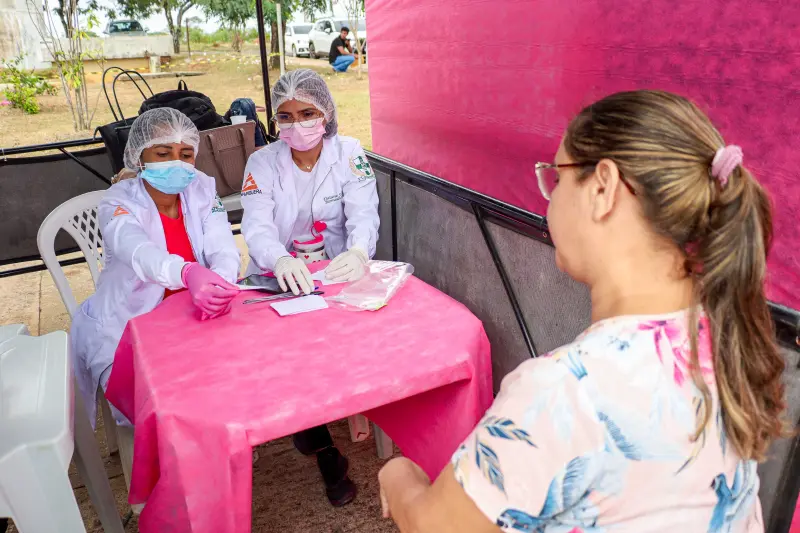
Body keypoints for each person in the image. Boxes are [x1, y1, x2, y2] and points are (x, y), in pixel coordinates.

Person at [378, 90, 788, 532]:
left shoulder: (564, 393)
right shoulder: (729, 340)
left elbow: (435, 527)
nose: (550, 199)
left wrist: (398, 476)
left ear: (603, 187)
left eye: (558, 177)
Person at [241, 68, 379, 506]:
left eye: (307, 113)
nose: (297, 125)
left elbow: (364, 214)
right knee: (282, 348)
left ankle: (323, 421)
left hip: (336, 271)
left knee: (341, 339)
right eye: (286, 116)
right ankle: (319, 440)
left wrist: (358, 253)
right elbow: (257, 226)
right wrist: (278, 258)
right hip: (277, 276)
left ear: (327, 113)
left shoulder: (350, 154)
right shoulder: (262, 163)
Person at [71, 108, 241, 428]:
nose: (175, 162)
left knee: (239, 380)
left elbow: (224, 248)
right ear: (140, 156)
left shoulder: (202, 187)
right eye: (163, 153)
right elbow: (138, 251)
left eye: (185, 153)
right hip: (130, 327)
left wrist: (219, 282)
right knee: (169, 412)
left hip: (193, 316)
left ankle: (222, 441)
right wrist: (188, 273)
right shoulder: (119, 201)